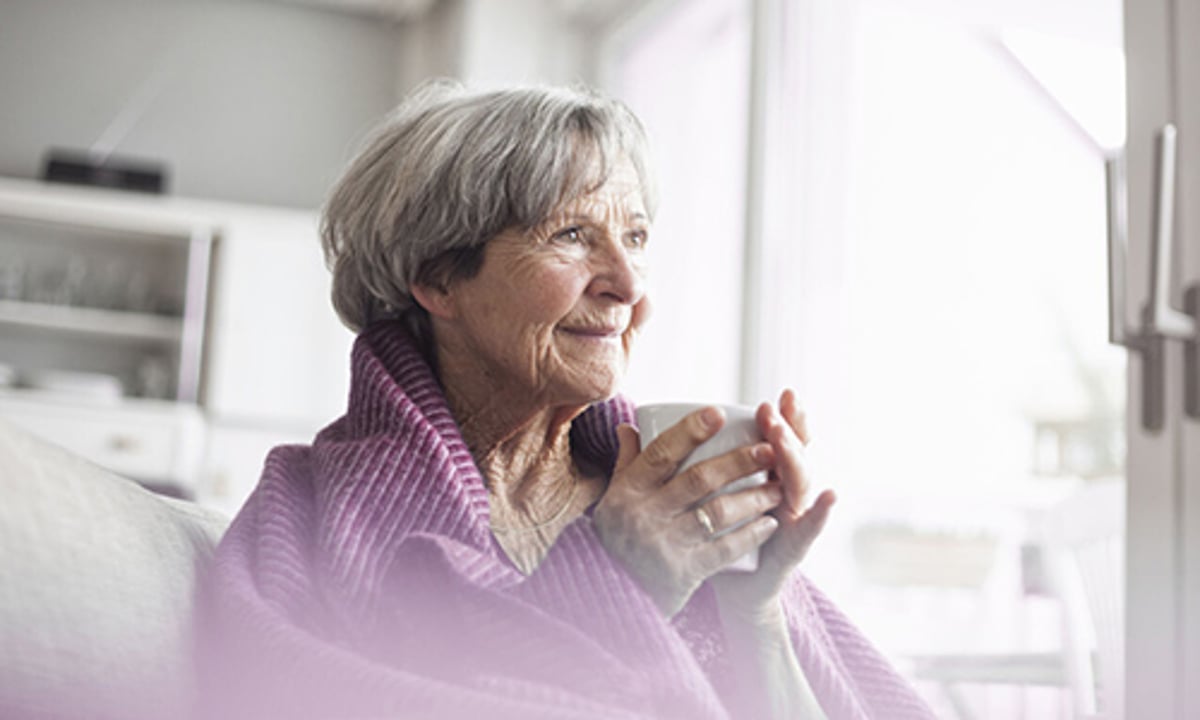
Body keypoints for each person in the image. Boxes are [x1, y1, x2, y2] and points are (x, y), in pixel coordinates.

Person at [195, 82, 935, 720]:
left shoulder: (671, 499)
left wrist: (757, 607)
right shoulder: (305, 513)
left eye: (636, 236)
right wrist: (616, 583)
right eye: (574, 235)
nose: (629, 283)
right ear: (440, 279)